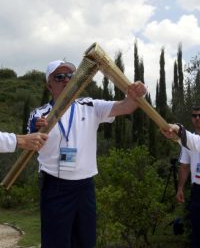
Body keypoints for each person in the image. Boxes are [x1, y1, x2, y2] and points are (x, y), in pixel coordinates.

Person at [27, 59, 147, 248]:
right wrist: (37, 131)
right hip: (55, 186)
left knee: (85, 241)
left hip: (85, 187)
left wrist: (136, 94)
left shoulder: (90, 105)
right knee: (55, 243)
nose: (66, 80)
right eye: (59, 77)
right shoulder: (40, 114)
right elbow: (29, 144)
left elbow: (126, 106)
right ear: (49, 84)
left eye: (70, 76)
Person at [176, 106, 200, 248]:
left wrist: (176, 129)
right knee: (197, 231)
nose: (197, 118)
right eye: (194, 115)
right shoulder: (188, 142)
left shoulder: (189, 139)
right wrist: (180, 188)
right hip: (197, 190)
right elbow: (184, 166)